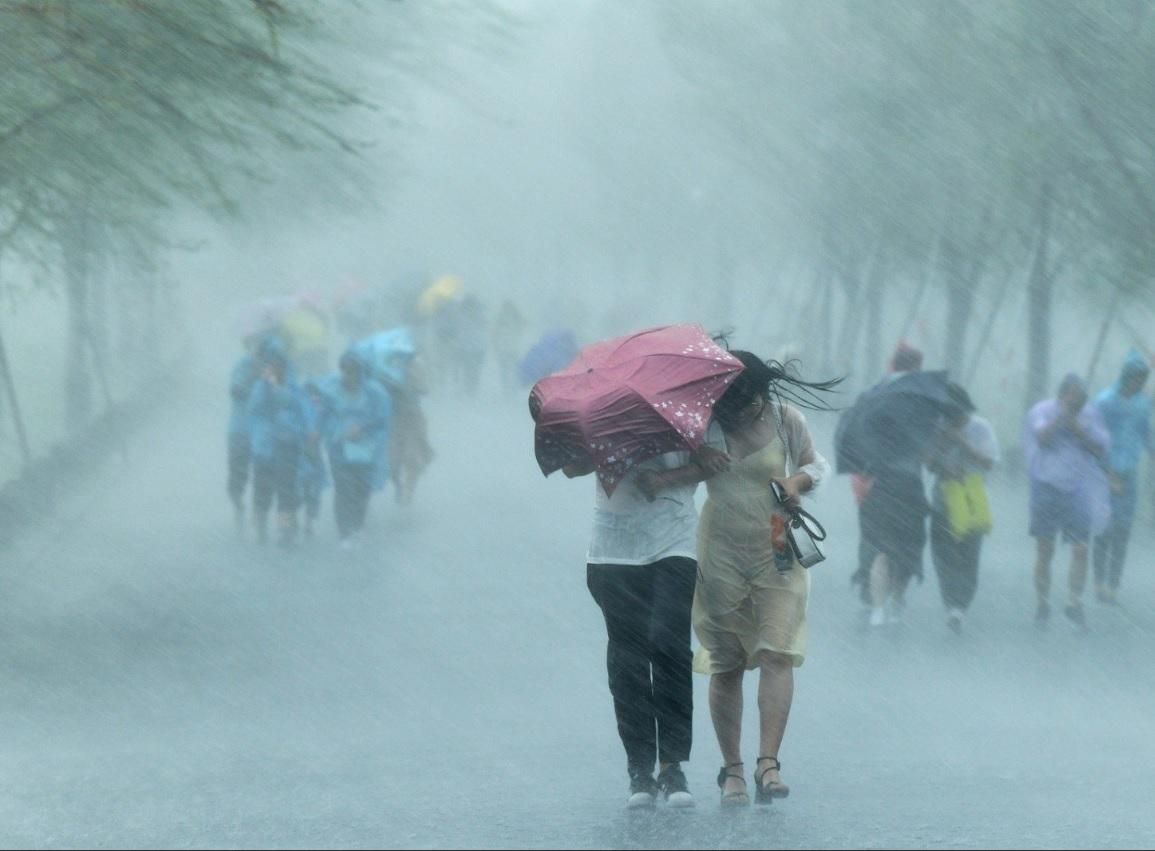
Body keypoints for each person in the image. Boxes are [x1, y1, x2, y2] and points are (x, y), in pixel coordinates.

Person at [635, 351, 838, 807]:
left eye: (751, 403)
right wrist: (688, 468)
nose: (745, 413)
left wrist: (796, 484)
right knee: (726, 662)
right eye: (734, 405)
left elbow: (816, 466)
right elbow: (680, 476)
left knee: (777, 652)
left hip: (777, 544)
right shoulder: (704, 425)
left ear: (763, 392)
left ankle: (769, 763)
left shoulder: (786, 420)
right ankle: (733, 770)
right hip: (720, 549)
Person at [563, 450, 700, 811]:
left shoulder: (689, 415)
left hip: (674, 540)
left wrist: (666, 479)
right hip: (613, 548)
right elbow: (572, 467)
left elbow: (712, 463)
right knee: (628, 658)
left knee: (670, 646)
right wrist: (609, 451)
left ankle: (672, 766)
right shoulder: (602, 418)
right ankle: (639, 769)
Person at [1023, 373, 1111, 628]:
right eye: (1074, 398)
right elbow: (1041, 437)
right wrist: (1062, 417)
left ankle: (1075, 602)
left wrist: (1078, 428)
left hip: (1078, 489)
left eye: (1083, 399)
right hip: (1046, 486)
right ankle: (1042, 602)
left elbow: (1100, 447)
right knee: (1045, 548)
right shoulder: (1042, 410)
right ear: (1062, 395)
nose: (1079, 403)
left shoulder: (1090, 415)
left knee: (1081, 548)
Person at [855, 341, 929, 627]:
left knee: (881, 547)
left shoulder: (874, 397)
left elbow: (859, 440)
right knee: (908, 545)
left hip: (880, 484)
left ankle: (877, 607)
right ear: (917, 367)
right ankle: (897, 599)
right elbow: (928, 448)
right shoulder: (922, 401)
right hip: (910, 485)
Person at [925, 383, 1000, 634]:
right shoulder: (937, 427)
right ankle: (951, 603)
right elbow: (929, 463)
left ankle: (961, 605)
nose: (951, 419)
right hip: (943, 496)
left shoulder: (981, 428)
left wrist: (961, 442)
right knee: (943, 554)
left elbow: (989, 462)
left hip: (971, 496)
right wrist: (941, 447)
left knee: (969, 555)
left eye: (955, 414)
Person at [1091, 350, 1151, 605]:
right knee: (1104, 528)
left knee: (1123, 530)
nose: (1139, 383)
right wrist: (1107, 472)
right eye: (1136, 378)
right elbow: (1095, 438)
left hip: (1129, 473)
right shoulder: (1105, 401)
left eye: (1143, 379)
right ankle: (1099, 582)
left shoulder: (1142, 403)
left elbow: (1145, 433)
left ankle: (1113, 584)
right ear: (1126, 376)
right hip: (1105, 472)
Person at [318, 350, 392, 549]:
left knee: (362, 491)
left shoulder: (375, 394)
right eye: (345, 370)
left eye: (353, 370)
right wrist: (339, 431)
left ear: (360, 372)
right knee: (343, 490)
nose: (348, 375)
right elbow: (323, 419)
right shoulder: (331, 392)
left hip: (365, 451)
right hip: (339, 451)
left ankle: (357, 526)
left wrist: (364, 429)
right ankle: (344, 533)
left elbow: (382, 421)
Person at [247, 343, 313, 547]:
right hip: (264, 449)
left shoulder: (294, 389)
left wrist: (306, 432)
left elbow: (304, 412)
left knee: (286, 492)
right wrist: (269, 388)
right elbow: (255, 411)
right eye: (271, 365)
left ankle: (284, 530)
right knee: (262, 492)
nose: (275, 369)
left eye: (278, 365)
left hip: (287, 447)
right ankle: (261, 528)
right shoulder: (260, 388)